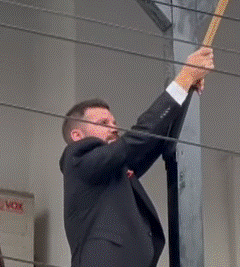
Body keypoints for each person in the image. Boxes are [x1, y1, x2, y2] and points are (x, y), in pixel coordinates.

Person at [60, 47, 214, 267]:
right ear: (77, 135)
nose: (114, 128)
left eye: (113, 122)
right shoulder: (78, 159)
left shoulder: (111, 170)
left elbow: (153, 140)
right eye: (103, 123)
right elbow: (138, 138)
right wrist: (184, 77)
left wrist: (187, 88)